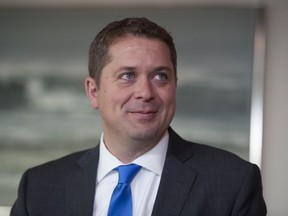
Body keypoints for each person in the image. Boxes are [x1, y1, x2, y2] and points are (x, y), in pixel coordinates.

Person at [11, 17, 266, 216]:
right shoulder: (39, 187)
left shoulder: (233, 183)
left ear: (174, 86)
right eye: (127, 75)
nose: (145, 92)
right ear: (93, 92)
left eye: (160, 76)